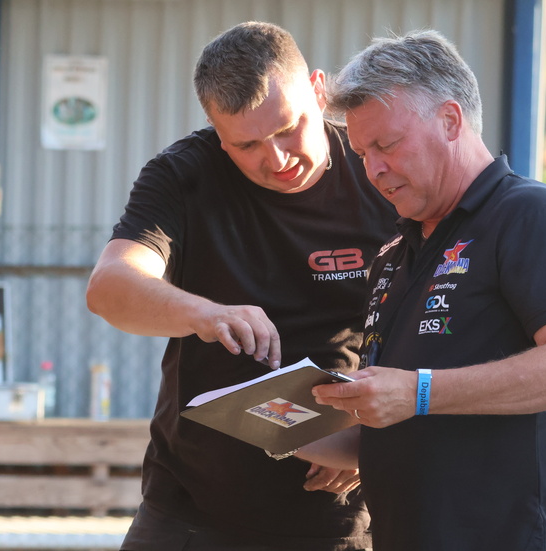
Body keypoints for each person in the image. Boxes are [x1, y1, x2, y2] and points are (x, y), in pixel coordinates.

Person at [86, 21, 399, 551]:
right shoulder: (183, 175)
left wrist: (380, 445)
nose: (275, 159)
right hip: (191, 510)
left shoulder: (381, 175)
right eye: (247, 144)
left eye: (287, 129)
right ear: (214, 128)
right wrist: (204, 314)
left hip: (337, 515)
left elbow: (449, 319)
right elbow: (110, 286)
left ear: (320, 92)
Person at [303, 30, 546, 550]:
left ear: (450, 120)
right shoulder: (395, 252)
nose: (373, 169)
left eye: (386, 144)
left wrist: (417, 391)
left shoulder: (531, 214)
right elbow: (413, 419)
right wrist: (285, 432)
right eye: (360, 152)